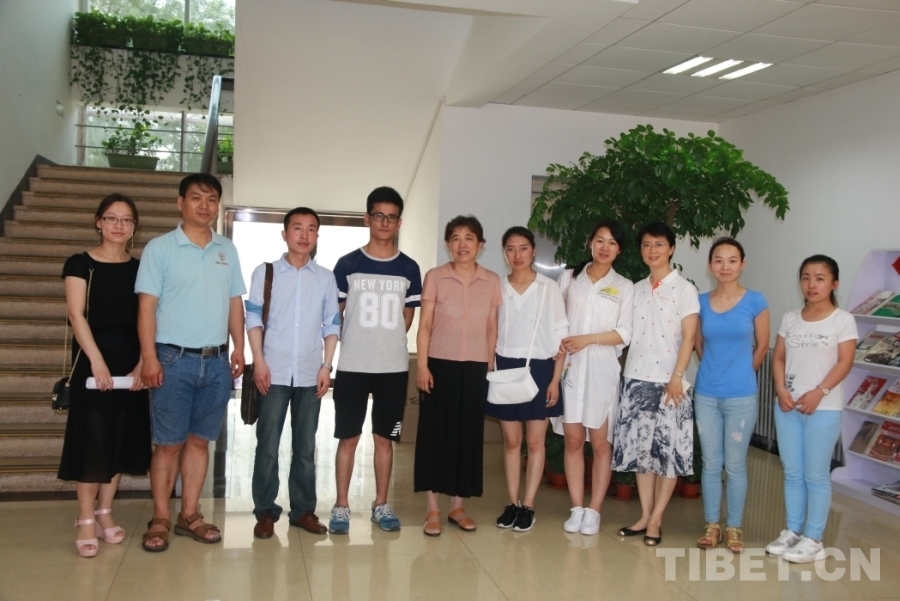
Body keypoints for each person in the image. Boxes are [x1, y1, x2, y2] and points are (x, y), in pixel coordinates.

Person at [135, 173, 246, 552]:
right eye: (196, 197)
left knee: (200, 442)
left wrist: (239, 347)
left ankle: (190, 514)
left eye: (212, 199)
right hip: (172, 360)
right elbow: (146, 307)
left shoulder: (227, 249)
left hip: (215, 362)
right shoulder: (160, 248)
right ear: (180, 202)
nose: (205, 205)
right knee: (168, 444)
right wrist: (149, 357)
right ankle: (160, 517)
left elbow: (234, 301)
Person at [60, 193, 151, 558]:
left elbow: (148, 317)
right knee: (93, 440)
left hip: (131, 362)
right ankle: (84, 517)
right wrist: (96, 361)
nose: (118, 225)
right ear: (98, 222)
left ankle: (104, 512)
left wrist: (144, 360)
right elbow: (76, 314)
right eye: (111, 218)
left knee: (119, 438)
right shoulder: (80, 263)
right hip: (92, 360)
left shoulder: (141, 268)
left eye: (126, 220)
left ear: (134, 227)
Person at [330, 187, 422, 534]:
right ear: (367, 218)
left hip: (393, 369)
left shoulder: (409, 267)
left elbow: (407, 317)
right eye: (379, 215)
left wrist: (385, 341)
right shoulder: (347, 264)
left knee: (385, 438)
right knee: (348, 438)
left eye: (392, 217)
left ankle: (381, 503)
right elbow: (335, 314)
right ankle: (341, 505)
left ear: (399, 222)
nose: (385, 222)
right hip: (353, 365)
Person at [247, 207, 340, 538]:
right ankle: (265, 512)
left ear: (317, 236)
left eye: (311, 229)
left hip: (310, 373)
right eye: (297, 228)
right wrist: (258, 361)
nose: (304, 234)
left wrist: (327, 366)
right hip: (272, 372)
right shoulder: (266, 272)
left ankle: (303, 511)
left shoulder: (325, 278)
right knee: (267, 445)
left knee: (305, 447)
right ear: (284, 234)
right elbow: (253, 318)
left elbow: (332, 324)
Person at [612, 221, 699, 547]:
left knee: (667, 453)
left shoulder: (684, 289)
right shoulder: (634, 289)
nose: (653, 250)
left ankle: (657, 518)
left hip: (670, 383)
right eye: (647, 244)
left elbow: (689, 337)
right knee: (642, 454)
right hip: (636, 379)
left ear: (671, 248)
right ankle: (645, 515)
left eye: (659, 244)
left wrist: (677, 377)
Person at [766, 255, 856, 563]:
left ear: (834, 283)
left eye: (819, 278)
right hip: (787, 406)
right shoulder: (791, 318)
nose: (811, 284)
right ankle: (793, 531)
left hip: (824, 408)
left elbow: (845, 361)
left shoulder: (842, 320)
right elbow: (779, 357)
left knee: (815, 474)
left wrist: (820, 392)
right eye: (805, 277)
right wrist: (780, 389)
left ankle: (813, 538)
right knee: (792, 472)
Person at [415, 215, 501, 536]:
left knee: (467, 436)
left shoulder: (491, 281)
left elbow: (492, 327)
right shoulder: (435, 277)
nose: (462, 244)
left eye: (469, 238)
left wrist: (489, 366)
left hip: (476, 367)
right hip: (439, 365)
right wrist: (422, 365)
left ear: (480, 245)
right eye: (455, 238)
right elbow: (425, 325)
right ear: (447, 244)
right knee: (434, 435)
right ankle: (432, 509)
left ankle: (457, 507)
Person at [486, 226, 568, 533]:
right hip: (505, 366)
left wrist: (555, 380)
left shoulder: (549, 287)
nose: (517, 255)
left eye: (523, 248)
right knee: (511, 441)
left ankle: (528, 505)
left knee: (535, 442)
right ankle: (512, 502)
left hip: (540, 367)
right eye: (510, 249)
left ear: (533, 251)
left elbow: (561, 335)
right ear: (504, 253)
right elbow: (490, 330)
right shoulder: (497, 286)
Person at [557, 220, 634, 536]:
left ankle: (595, 510)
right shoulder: (569, 278)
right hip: (570, 368)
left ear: (619, 250)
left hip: (602, 371)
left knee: (601, 443)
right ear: (590, 243)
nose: (605, 247)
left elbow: (625, 333)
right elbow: (556, 321)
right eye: (600, 240)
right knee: (573, 440)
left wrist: (588, 339)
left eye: (612, 242)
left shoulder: (624, 286)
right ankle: (577, 507)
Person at [693, 238, 769, 553]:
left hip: (741, 395)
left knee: (735, 464)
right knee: (711, 463)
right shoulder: (700, 302)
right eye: (719, 260)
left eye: (732, 260)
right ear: (710, 265)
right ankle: (712, 526)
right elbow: (698, 344)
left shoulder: (755, 300)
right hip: (706, 394)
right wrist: (714, 371)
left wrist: (742, 373)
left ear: (742, 264)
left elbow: (762, 346)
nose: (725, 266)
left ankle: (734, 527)